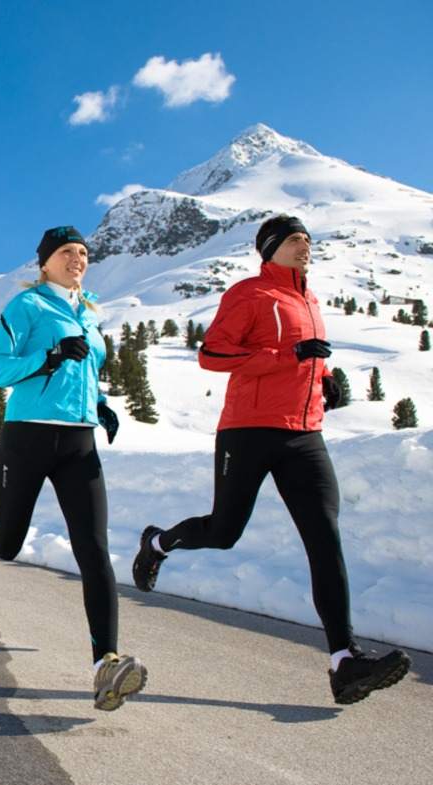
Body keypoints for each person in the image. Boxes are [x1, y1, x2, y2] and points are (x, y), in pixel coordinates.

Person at [131, 214, 410, 705]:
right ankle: (157, 543)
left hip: (304, 435)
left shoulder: (310, 299)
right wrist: (290, 356)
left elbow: (305, 361)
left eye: (308, 239)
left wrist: (324, 384)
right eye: (296, 240)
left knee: (325, 538)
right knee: (223, 532)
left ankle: (344, 661)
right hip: (248, 430)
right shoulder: (249, 294)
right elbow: (213, 356)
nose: (306, 246)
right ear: (270, 248)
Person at [0, 225, 144, 712]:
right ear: (45, 262)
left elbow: (87, 371)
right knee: (7, 544)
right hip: (27, 436)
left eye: (84, 253)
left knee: (94, 550)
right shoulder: (26, 308)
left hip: (79, 442)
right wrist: (48, 356)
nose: (78, 259)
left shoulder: (89, 315)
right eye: (68, 252)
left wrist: (101, 403)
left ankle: (105, 664)